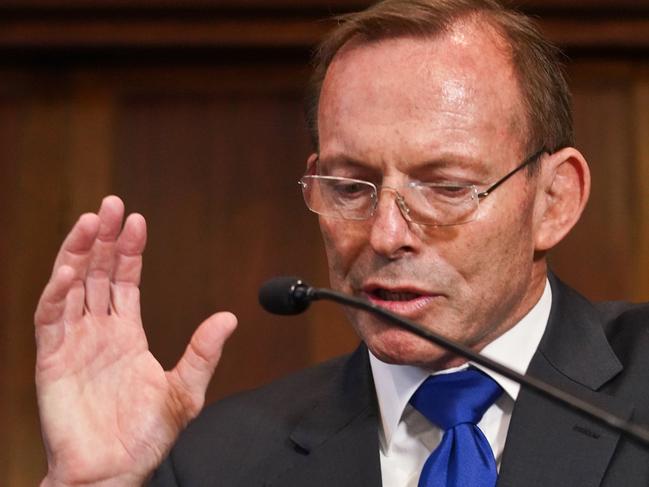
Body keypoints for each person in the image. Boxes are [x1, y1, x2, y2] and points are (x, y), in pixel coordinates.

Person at [34, 0, 649, 486]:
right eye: (351, 188)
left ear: (553, 201)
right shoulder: (222, 462)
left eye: (445, 187)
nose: (385, 236)